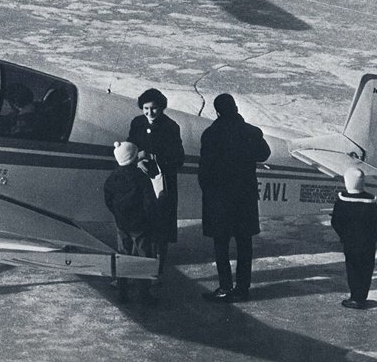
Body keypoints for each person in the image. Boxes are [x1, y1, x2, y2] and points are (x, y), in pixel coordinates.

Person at [198, 92, 271, 302]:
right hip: (244, 198)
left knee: (221, 245)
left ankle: (224, 287)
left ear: (218, 111)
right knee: (244, 244)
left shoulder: (211, 134)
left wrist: (209, 194)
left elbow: (204, 170)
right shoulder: (250, 132)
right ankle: (242, 288)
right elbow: (264, 154)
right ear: (236, 108)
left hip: (219, 199)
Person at [128, 88, 185, 275]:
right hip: (141, 182)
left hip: (162, 184)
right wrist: (138, 161)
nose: (149, 113)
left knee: (161, 229)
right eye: (145, 108)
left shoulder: (171, 126)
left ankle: (157, 269)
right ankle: (138, 267)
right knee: (140, 226)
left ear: (161, 108)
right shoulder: (137, 123)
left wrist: (153, 157)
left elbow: (178, 158)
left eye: (153, 108)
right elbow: (130, 146)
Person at [103, 141, 160, 303]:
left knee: (123, 255)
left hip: (121, 224)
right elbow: (149, 203)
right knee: (144, 257)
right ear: (134, 159)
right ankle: (144, 294)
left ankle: (122, 292)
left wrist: (118, 214)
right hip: (140, 225)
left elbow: (108, 200)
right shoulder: (141, 178)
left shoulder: (112, 178)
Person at [331, 167, 377, 309]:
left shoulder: (342, 199)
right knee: (366, 270)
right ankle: (362, 297)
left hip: (351, 243)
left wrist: (343, 236)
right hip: (368, 243)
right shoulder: (371, 200)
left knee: (353, 269)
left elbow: (336, 222)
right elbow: (375, 221)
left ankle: (355, 298)